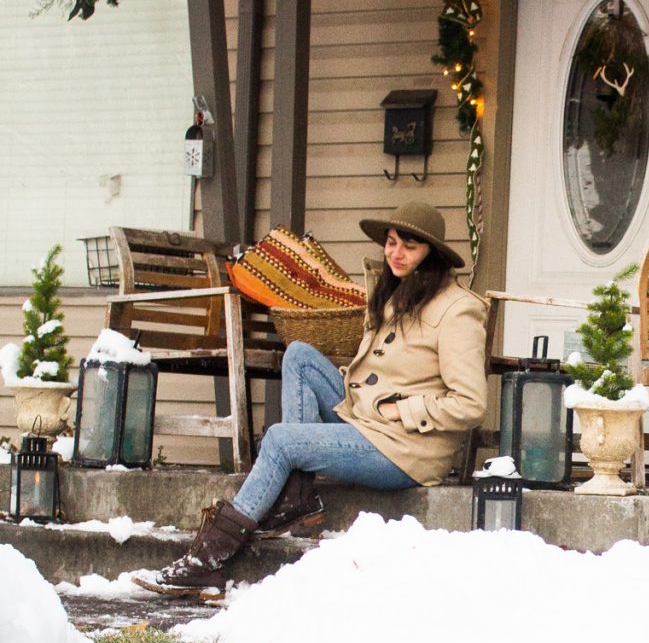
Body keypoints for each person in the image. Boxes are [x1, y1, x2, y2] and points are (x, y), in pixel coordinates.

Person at [136, 201, 488, 598]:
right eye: (391, 243)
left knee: (282, 440)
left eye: (409, 246)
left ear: (433, 254)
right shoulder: (397, 294)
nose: (396, 253)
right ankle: (297, 499)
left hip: (404, 449)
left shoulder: (459, 310)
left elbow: (470, 403)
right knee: (299, 355)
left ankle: (208, 559)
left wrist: (401, 409)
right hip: (366, 423)